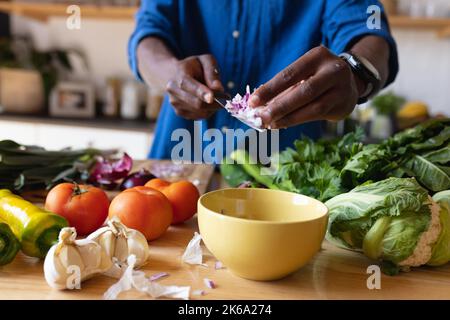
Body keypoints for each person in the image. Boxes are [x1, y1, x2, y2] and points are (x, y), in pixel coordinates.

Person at [128, 0, 398, 160]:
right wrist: (171, 74)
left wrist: (355, 72)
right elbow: (147, 33)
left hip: (290, 176)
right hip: (181, 165)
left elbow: (370, 29)